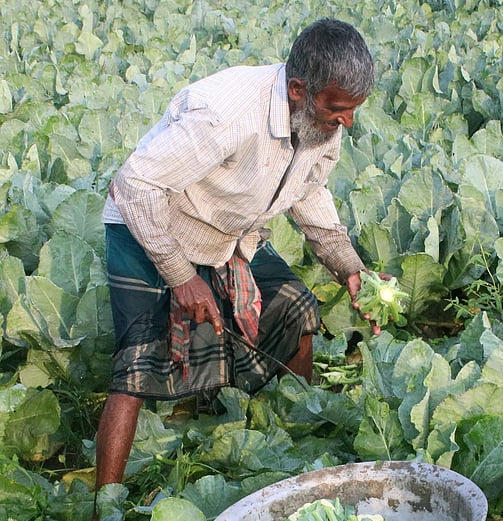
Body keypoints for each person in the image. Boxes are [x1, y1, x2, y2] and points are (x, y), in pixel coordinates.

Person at [95, 18, 376, 486]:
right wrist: (181, 276)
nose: (347, 120)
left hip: (229, 230)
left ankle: (294, 443)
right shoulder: (226, 113)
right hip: (150, 221)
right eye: (340, 109)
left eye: (352, 110)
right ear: (298, 90)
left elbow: (308, 191)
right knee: (137, 363)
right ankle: (103, 510)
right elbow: (135, 184)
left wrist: (348, 265)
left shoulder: (321, 122)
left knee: (295, 308)